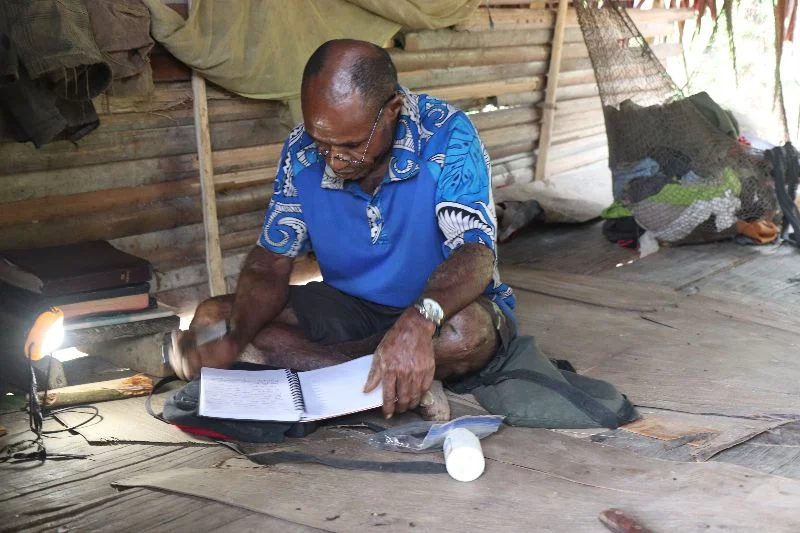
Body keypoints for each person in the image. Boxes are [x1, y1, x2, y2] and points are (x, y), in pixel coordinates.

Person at [168, 39, 516, 420]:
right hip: (349, 308)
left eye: (351, 144)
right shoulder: (301, 151)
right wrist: (234, 338)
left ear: (392, 111)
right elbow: (270, 263)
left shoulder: (447, 136)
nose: (334, 160)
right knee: (214, 319)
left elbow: (475, 253)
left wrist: (418, 321)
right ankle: (388, 381)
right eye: (322, 144)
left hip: (436, 307)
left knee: (466, 333)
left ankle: (322, 370)